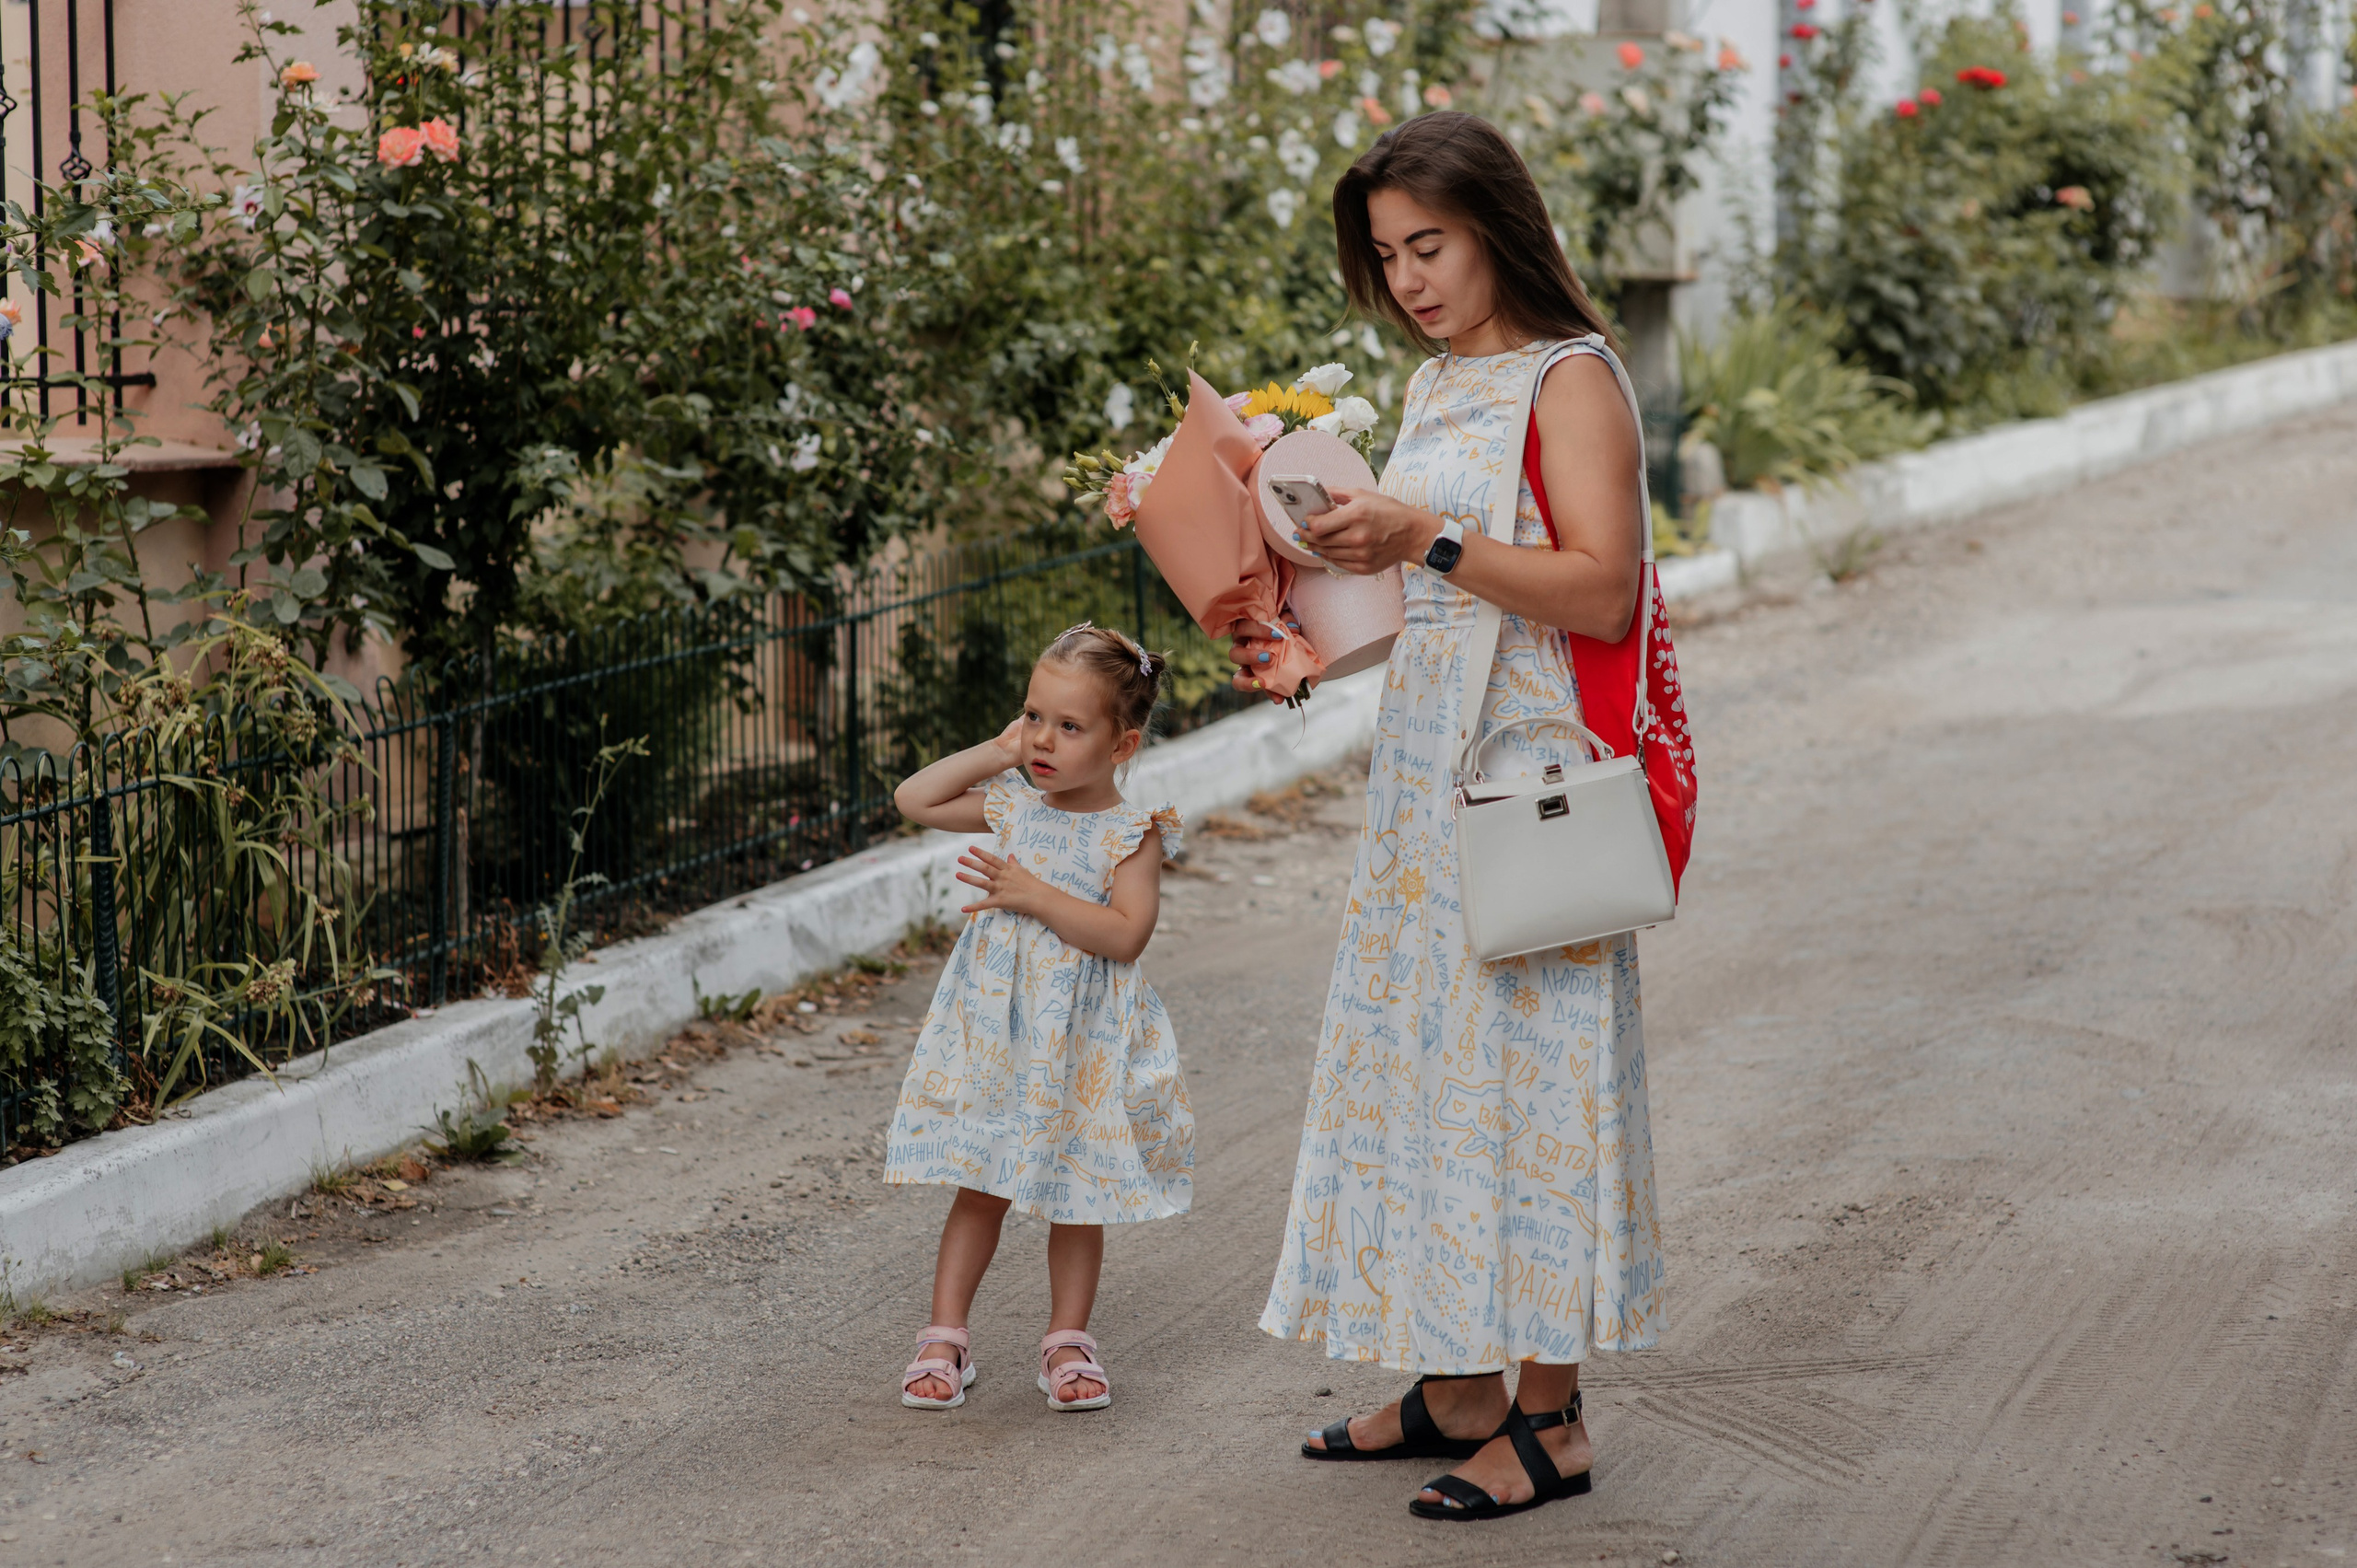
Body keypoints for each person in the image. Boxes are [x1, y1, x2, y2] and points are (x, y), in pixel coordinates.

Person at [1242, 110, 1667, 1520]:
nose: (1410, 276)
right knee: (1433, 1075)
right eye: (1387, 253)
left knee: (1534, 1092)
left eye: (1430, 243)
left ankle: (1553, 1418)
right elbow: (1429, 593)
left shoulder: (1570, 380)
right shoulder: (1432, 388)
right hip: (1426, 779)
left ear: (1496, 225)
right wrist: (1303, 638)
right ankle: (1460, 1385)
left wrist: (1422, 535)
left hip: (1533, 789)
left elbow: (1599, 588)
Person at [883, 622, 1193, 1415]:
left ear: (1122, 744)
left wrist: (1035, 896)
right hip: (1001, 1032)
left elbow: (1126, 934)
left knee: (1073, 1189)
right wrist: (998, 749)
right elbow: (913, 798)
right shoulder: (1014, 805)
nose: (1043, 740)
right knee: (980, 1180)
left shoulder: (1132, 832)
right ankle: (945, 1335)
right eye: (1033, 716)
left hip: (1083, 1040)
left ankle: (1067, 1341)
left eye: (1068, 725)